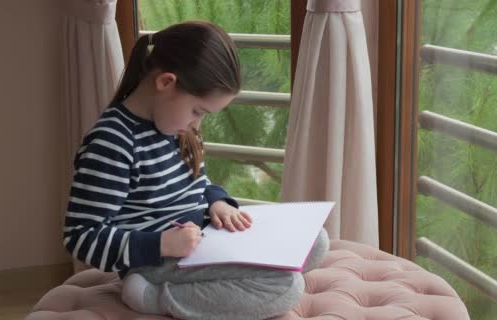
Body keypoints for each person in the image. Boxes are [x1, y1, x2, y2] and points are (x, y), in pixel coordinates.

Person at [62, 21, 329, 320]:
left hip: (203, 240)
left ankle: (225, 277)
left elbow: (197, 183)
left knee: (316, 241)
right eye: (198, 111)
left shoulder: (174, 127)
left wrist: (217, 201)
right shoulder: (113, 143)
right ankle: (153, 296)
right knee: (287, 288)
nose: (196, 125)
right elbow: (81, 236)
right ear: (165, 82)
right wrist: (161, 244)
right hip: (160, 259)